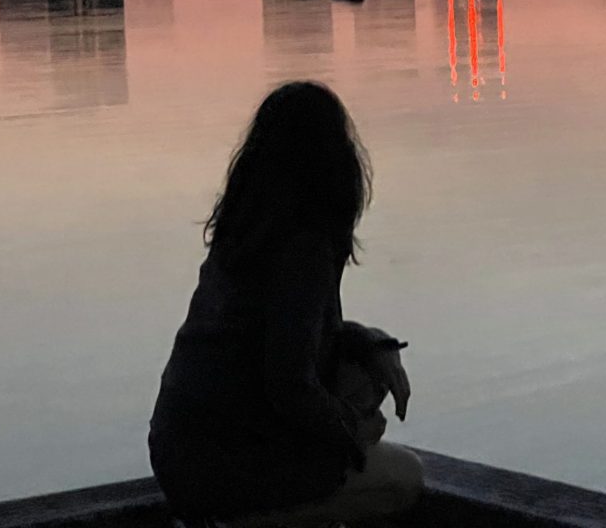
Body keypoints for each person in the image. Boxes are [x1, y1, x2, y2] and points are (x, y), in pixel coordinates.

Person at [149, 81, 424, 525]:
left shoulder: (240, 237)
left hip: (178, 454)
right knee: (405, 477)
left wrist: (369, 341)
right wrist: (350, 434)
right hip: (228, 468)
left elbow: (288, 335)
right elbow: (289, 385)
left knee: (359, 377)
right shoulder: (306, 248)